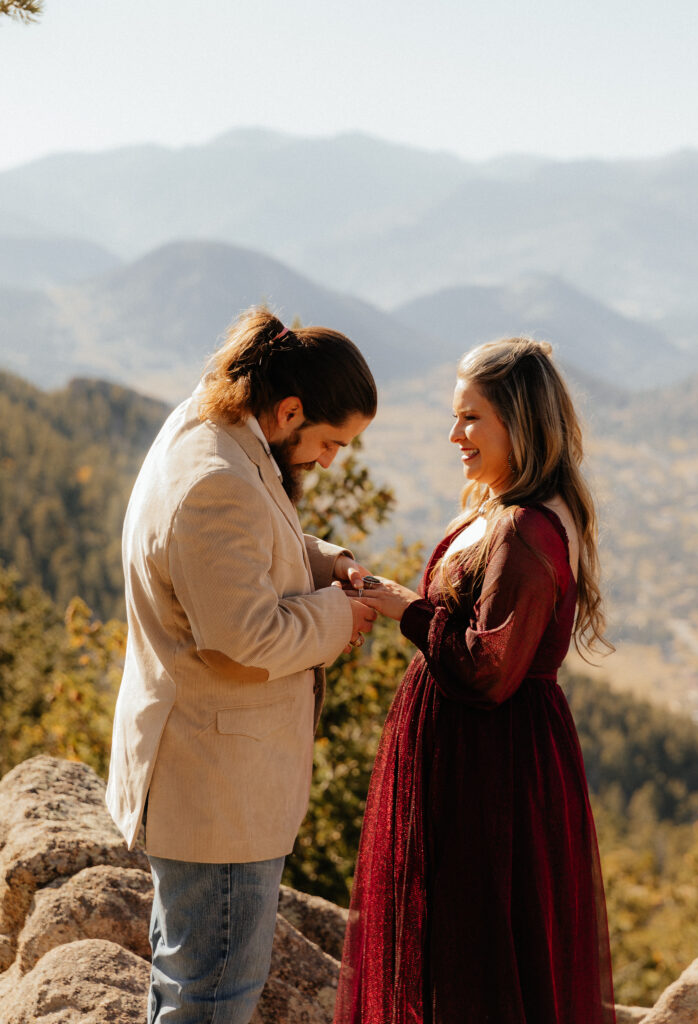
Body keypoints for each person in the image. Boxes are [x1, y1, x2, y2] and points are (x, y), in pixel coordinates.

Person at [105, 305, 378, 1024]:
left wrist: (328, 563)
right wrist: (341, 617)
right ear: (289, 410)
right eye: (329, 441)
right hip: (218, 790)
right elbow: (245, 634)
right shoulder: (214, 479)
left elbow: (247, 549)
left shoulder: (215, 428)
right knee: (213, 997)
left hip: (207, 778)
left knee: (185, 982)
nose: (329, 460)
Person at [333, 337, 617, 1024]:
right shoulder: (509, 508)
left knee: (473, 966)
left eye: (471, 418)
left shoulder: (524, 529)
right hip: (476, 766)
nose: (454, 434)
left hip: (488, 776)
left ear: (518, 423)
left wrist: (406, 608)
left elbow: (489, 669)